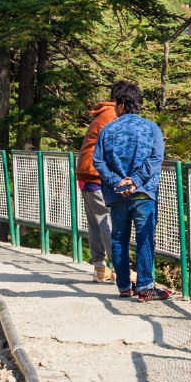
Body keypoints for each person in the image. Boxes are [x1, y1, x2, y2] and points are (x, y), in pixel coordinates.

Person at [90, 80, 173, 301]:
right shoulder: (151, 128)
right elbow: (156, 158)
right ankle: (145, 287)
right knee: (145, 237)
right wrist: (135, 181)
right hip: (144, 192)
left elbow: (98, 161)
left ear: (121, 104)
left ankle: (124, 286)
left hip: (117, 194)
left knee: (119, 238)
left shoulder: (108, 130)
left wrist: (118, 182)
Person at [75, 95, 119, 283]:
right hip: (96, 175)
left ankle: (100, 268)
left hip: (86, 175)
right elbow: (115, 149)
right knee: (108, 221)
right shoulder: (113, 115)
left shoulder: (103, 114)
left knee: (96, 222)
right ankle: (119, 269)